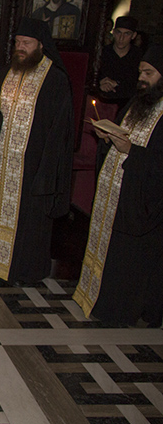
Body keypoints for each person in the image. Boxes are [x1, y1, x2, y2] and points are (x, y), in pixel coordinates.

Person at [0, 17, 73, 284]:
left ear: (41, 45)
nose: (20, 48)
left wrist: (46, 171)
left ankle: (20, 270)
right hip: (0, 161)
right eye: (17, 42)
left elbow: (60, 132)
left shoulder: (55, 80)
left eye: (26, 43)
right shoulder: (8, 71)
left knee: (28, 221)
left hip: (33, 164)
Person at [74, 45, 163, 326]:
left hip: (141, 202)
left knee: (127, 258)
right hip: (118, 193)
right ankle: (97, 298)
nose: (142, 78)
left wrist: (131, 152)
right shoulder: (138, 103)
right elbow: (125, 136)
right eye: (140, 72)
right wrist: (108, 138)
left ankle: (118, 310)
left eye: (148, 73)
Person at [97, 16, 142, 120]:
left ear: (133, 36)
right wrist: (101, 83)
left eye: (127, 34)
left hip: (127, 106)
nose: (121, 38)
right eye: (118, 33)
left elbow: (138, 84)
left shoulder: (138, 56)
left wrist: (117, 83)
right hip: (102, 104)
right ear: (113, 32)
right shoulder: (102, 53)